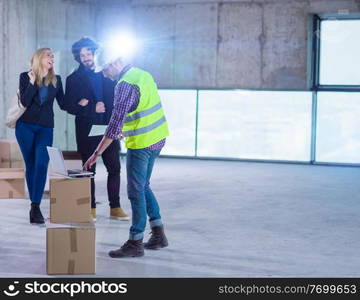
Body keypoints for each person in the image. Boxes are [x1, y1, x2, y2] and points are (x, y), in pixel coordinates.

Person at [84, 58, 169, 258]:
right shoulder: (142, 73)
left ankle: (135, 242)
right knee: (144, 186)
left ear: (113, 63)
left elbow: (114, 126)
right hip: (158, 137)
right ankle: (158, 234)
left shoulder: (124, 85)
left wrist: (96, 154)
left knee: (135, 191)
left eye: (105, 69)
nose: (104, 74)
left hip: (142, 143)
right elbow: (140, 110)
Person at [64, 37, 128, 221]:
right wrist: (90, 107)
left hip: (108, 129)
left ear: (94, 53)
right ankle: (89, 208)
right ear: (78, 58)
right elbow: (69, 105)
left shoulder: (107, 75)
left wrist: (119, 126)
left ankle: (115, 208)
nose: (86, 58)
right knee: (88, 170)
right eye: (82, 55)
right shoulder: (74, 79)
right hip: (87, 130)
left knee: (114, 168)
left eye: (88, 53)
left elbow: (116, 103)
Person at [16, 48, 66, 224]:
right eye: (48, 55)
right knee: (31, 165)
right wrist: (31, 82)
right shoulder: (25, 76)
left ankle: (35, 205)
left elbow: (64, 103)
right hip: (25, 127)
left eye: (53, 55)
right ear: (39, 58)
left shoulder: (57, 80)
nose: (52, 58)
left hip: (45, 127)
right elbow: (24, 101)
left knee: (42, 163)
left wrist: (87, 105)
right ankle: (34, 206)